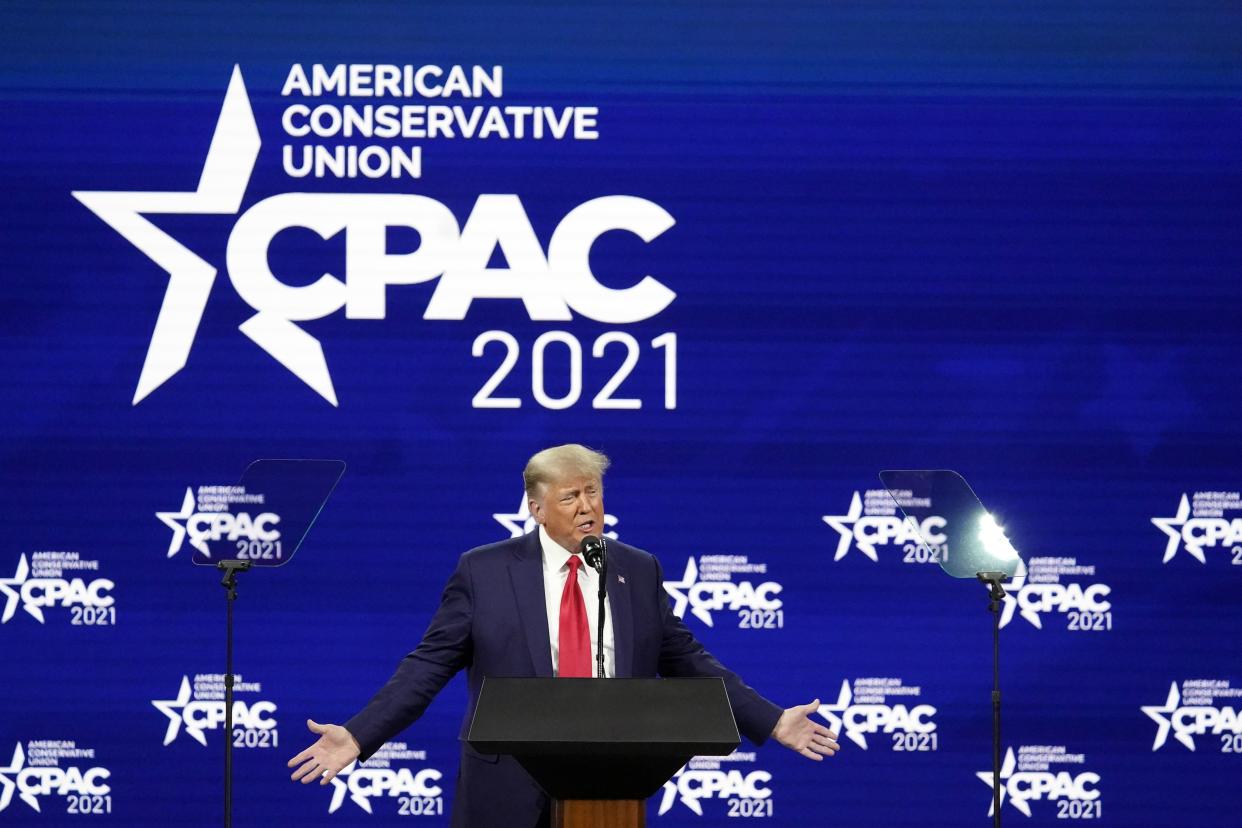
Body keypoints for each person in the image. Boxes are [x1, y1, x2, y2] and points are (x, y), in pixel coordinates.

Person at [288, 444, 838, 826]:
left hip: (611, 779)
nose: (588, 508)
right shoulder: (484, 570)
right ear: (536, 506)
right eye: (571, 496)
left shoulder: (636, 568)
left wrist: (769, 718)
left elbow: (687, 657)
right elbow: (427, 667)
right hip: (505, 783)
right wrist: (359, 736)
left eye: (593, 493)